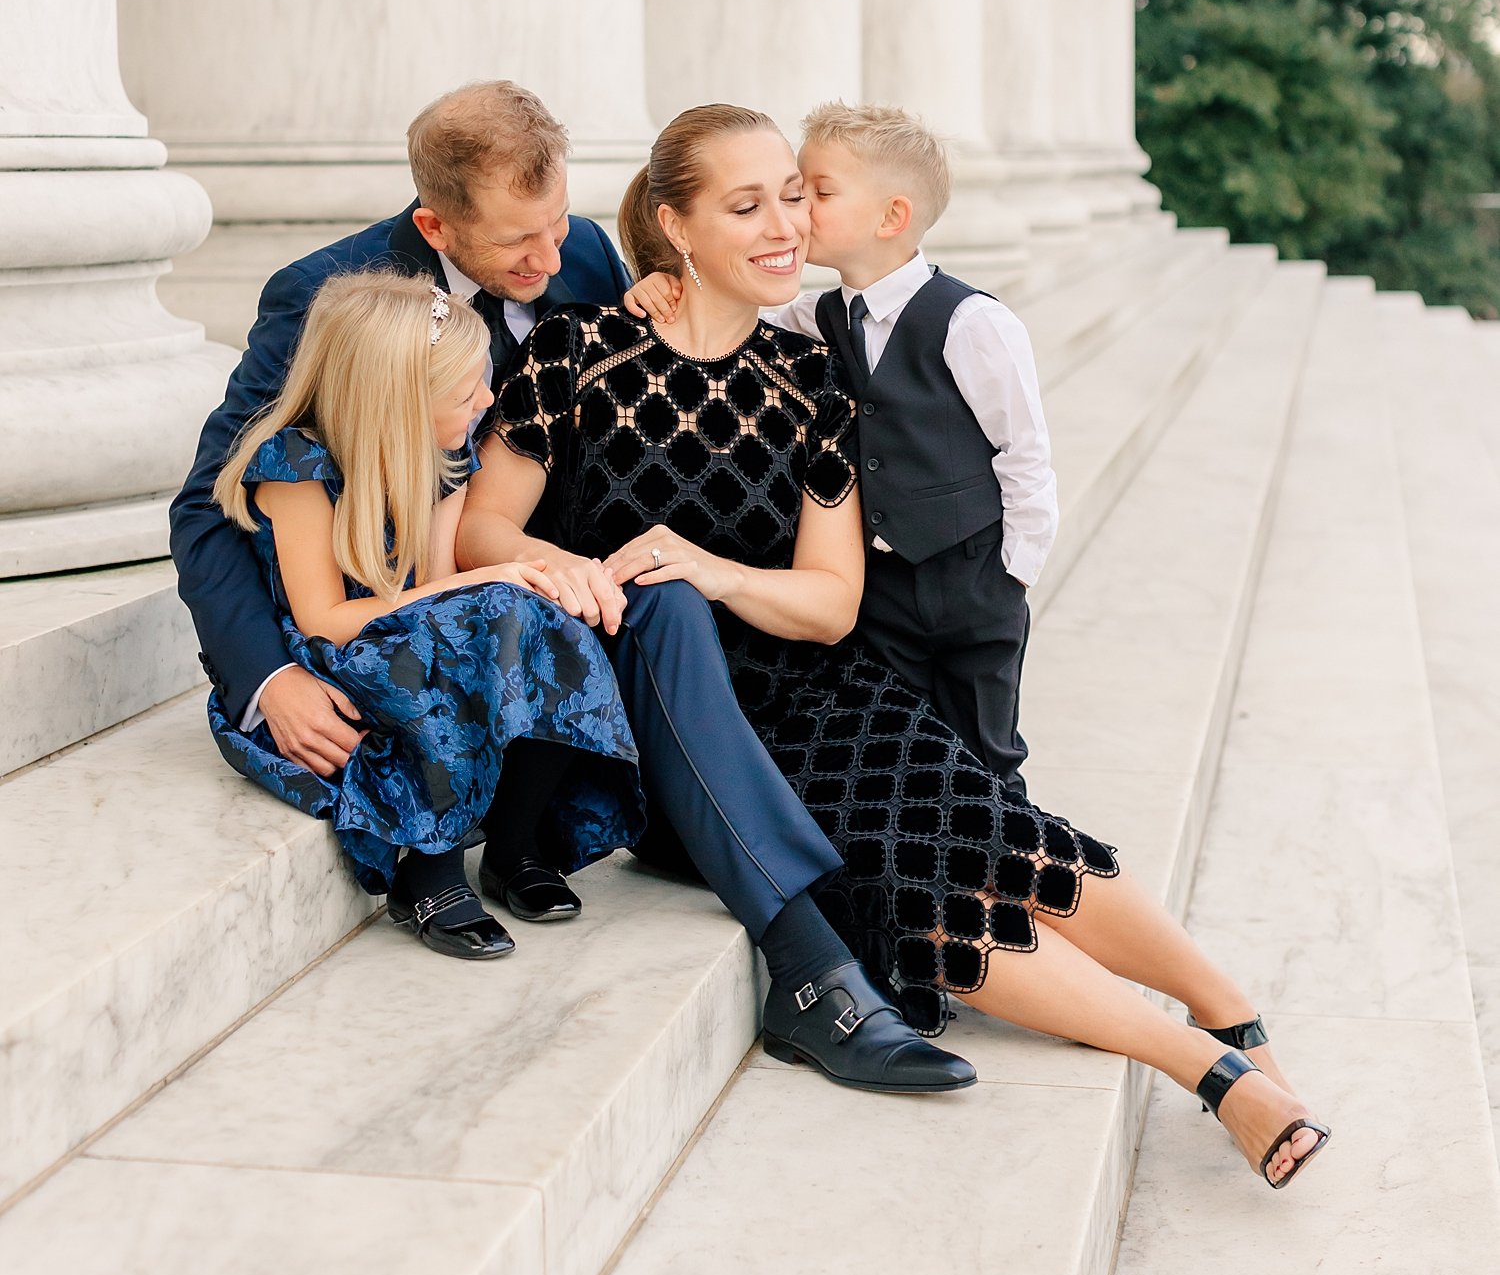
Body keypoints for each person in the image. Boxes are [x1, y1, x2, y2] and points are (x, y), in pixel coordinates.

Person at [462, 104, 1329, 1188]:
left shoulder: (813, 375)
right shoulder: (579, 350)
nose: (785, 222)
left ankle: (1228, 1020)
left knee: (973, 825)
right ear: (676, 229)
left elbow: (830, 604)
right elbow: (482, 528)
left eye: (792, 193)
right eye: (747, 205)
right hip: (669, 727)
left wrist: (716, 567)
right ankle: (1207, 1071)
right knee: (906, 880)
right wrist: (574, 568)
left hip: (816, 689)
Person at [175, 83, 951, 1088]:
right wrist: (266, 676)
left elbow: (648, 346)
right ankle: (810, 950)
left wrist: (653, 292)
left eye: (556, 228)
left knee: (661, 593)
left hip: (563, 590)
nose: (549, 263)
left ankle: (794, 944)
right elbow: (209, 504)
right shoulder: (330, 296)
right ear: (435, 226)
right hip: (430, 595)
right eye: (516, 247)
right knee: (611, 605)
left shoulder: (583, 252)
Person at [208, 271, 643, 956]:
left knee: (544, 616)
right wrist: (495, 577)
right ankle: (430, 871)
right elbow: (324, 619)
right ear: (396, 398)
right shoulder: (297, 466)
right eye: (464, 390)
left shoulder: (444, 453)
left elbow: (439, 586)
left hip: (410, 638)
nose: (487, 399)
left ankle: (514, 840)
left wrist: (510, 587)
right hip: (332, 659)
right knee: (488, 608)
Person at [629, 98, 1053, 792]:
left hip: (971, 575)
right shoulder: (817, 313)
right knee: (904, 735)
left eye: (814, 193)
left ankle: (1002, 838)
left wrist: (1014, 574)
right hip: (883, 585)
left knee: (986, 739)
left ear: (891, 218)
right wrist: (668, 281)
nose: (798, 214)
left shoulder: (973, 322)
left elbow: (1025, 454)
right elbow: (732, 303)